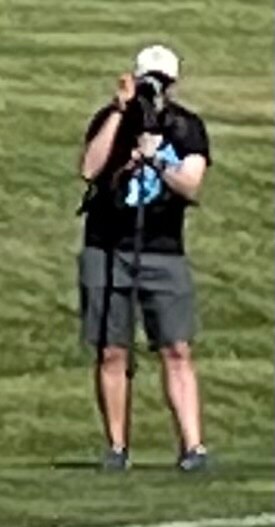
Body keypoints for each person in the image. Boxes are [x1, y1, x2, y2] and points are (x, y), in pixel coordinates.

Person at [78, 42, 208, 471]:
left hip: (162, 249)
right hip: (108, 246)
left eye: (162, 84)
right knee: (112, 350)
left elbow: (191, 185)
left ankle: (192, 446)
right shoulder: (111, 120)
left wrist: (156, 162)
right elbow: (89, 169)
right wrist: (119, 113)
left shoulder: (186, 127)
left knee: (176, 347)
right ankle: (117, 446)